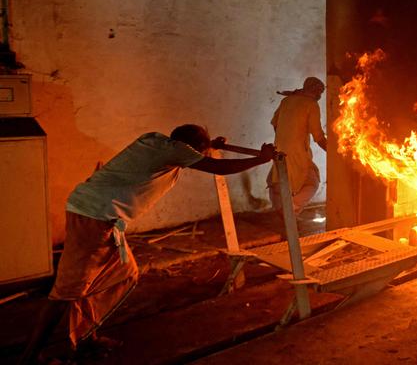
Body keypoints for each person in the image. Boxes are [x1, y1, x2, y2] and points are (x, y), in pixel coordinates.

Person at [20, 124, 275, 364]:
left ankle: (86, 337)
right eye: (201, 149)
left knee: (120, 273)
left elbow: (196, 155)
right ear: (191, 147)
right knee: (67, 290)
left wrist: (210, 146)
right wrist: (261, 159)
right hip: (94, 218)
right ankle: (30, 357)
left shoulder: (156, 142)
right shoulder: (176, 151)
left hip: (97, 215)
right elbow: (217, 168)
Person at [267, 77, 327, 220]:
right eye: (319, 92)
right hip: (298, 152)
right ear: (315, 91)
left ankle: (282, 210)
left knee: (277, 179)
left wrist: (284, 139)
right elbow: (318, 136)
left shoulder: (286, 100)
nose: (320, 96)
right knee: (312, 182)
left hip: (279, 148)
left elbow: (275, 124)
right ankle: (290, 209)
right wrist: (334, 153)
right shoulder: (311, 104)